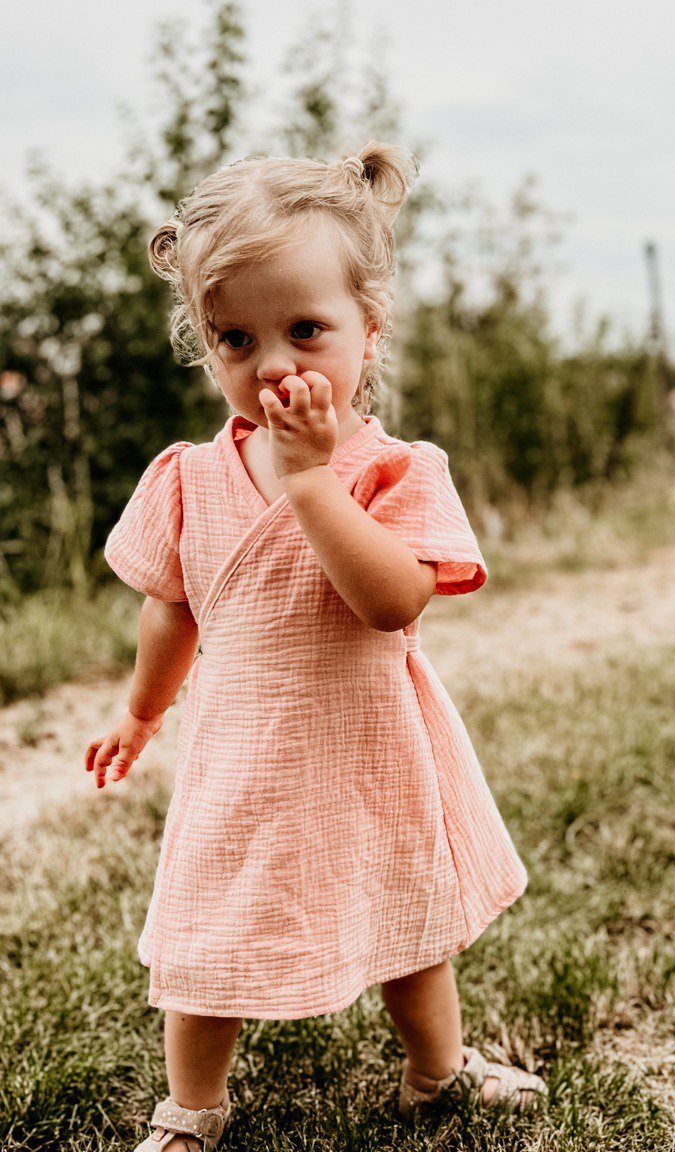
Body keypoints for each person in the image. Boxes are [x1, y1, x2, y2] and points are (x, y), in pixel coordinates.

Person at [84, 142, 547, 1150]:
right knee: (209, 938)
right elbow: (172, 608)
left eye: (305, 329)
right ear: (208, 348)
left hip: (368, 741)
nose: (274, 364)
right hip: (242, 752)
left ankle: (437, 1071)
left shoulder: (394, 468)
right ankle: (191, 1109)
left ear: (368, 333)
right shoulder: (185, 478)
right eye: (236, 339)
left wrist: (312, 484)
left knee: (407, 926)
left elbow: (394, 602)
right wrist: (140, 710)